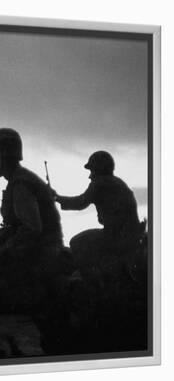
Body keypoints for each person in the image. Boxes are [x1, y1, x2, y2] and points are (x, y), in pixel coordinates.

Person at [53, 151, 147, 353]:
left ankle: (92, 285)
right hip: (127, 236)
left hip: (117, 238)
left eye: (91, 170)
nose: (90, 175)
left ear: (98, 169)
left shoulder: (101, 183)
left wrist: (56, 197)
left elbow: (80, 203)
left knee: (77, 242)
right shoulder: (116, 182)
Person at [0, 128, 66, 315]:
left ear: (3, 156)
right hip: (41, 250)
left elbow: (32, 229)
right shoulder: (20, 180)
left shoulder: (21, 184)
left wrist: (3, 250)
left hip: (42, 254)